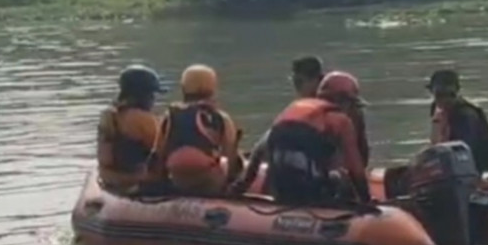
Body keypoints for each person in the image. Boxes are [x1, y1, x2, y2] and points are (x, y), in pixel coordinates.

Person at [241, 71, 372, 205]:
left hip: (280, 189)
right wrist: (367, 202)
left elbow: (258, 152)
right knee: (341, 179)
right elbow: (356, 170)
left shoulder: (294, 110)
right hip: (310, 190)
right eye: (351, 104)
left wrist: (240, 187)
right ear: (342, 100)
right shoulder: (341, 121)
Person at [156, 64, 243, 197]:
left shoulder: (169, 117)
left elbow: (159, 153)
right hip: (208, 182)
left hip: (178, 181)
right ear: (212, 88)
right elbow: (230, 156)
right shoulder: (220, 118)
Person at [96, 65, 167, 194]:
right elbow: (164, 151)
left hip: (110, 181)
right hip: (137, 183)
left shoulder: (109, 116)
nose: (154, 99)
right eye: (152, 94)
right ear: (144, 95)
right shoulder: (143, 120)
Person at [427, 68, 488, 173]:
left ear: (456, 93)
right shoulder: (436, 109)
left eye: (448, 95)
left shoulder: (466, 115)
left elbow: (466, 148)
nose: (443, 100)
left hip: (473, 163)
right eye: (439, 95)